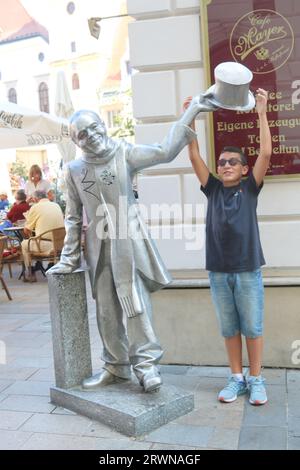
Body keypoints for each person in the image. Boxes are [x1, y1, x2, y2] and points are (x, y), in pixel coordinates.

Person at [48, 98, 213, 393]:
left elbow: (164, 151)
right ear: (76, 141)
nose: (92, 136)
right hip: (97, 251)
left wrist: (192, 110)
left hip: (129, 246)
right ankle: (115, 367)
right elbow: (73, 217)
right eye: (82, 134)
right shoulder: (73, 170)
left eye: (95, 128)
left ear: (103, 126)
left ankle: (147, 366)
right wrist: (69, 258)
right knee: (106, 312)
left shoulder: (124, 152)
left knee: (136, 304)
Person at [183, 88, 272, 405]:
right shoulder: (213, 190)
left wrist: (261, 111)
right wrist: (191, 114)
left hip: (247, 270)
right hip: (219, 272)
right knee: (230, 328)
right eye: (221, 162)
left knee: (253, 326)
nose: (225, 165)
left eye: (232, 161)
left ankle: (256, 379)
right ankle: (236, 378)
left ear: (245, 169)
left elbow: (265, 155)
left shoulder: (250, 188)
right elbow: (194, 156)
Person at [21, 190, 64, 282]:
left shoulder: (35, 207)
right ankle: (51, 264)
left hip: (46, 245)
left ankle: (30, 271)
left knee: (24, 244)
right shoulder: (56, 205)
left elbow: (26, 230)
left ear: (35, 198)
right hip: (61, 244)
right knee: (39, 238)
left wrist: (29, 218)